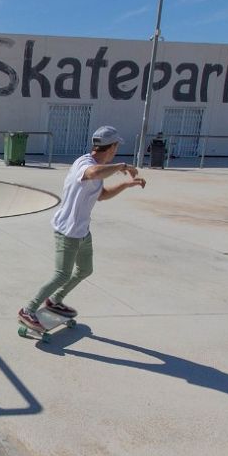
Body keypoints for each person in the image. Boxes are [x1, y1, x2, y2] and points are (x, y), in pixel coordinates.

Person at [18, 125, 145, 333]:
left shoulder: (98, 168)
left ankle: (55, 300)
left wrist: (126, 185)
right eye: (116, 147)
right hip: (67, 230)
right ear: (111, 147)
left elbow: (101, 195)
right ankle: (28, 309)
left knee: (85, 270)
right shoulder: (86, 164)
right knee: (61, 275)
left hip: (82, 231)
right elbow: (92, 173)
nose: (116, 151)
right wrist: (122, 165)